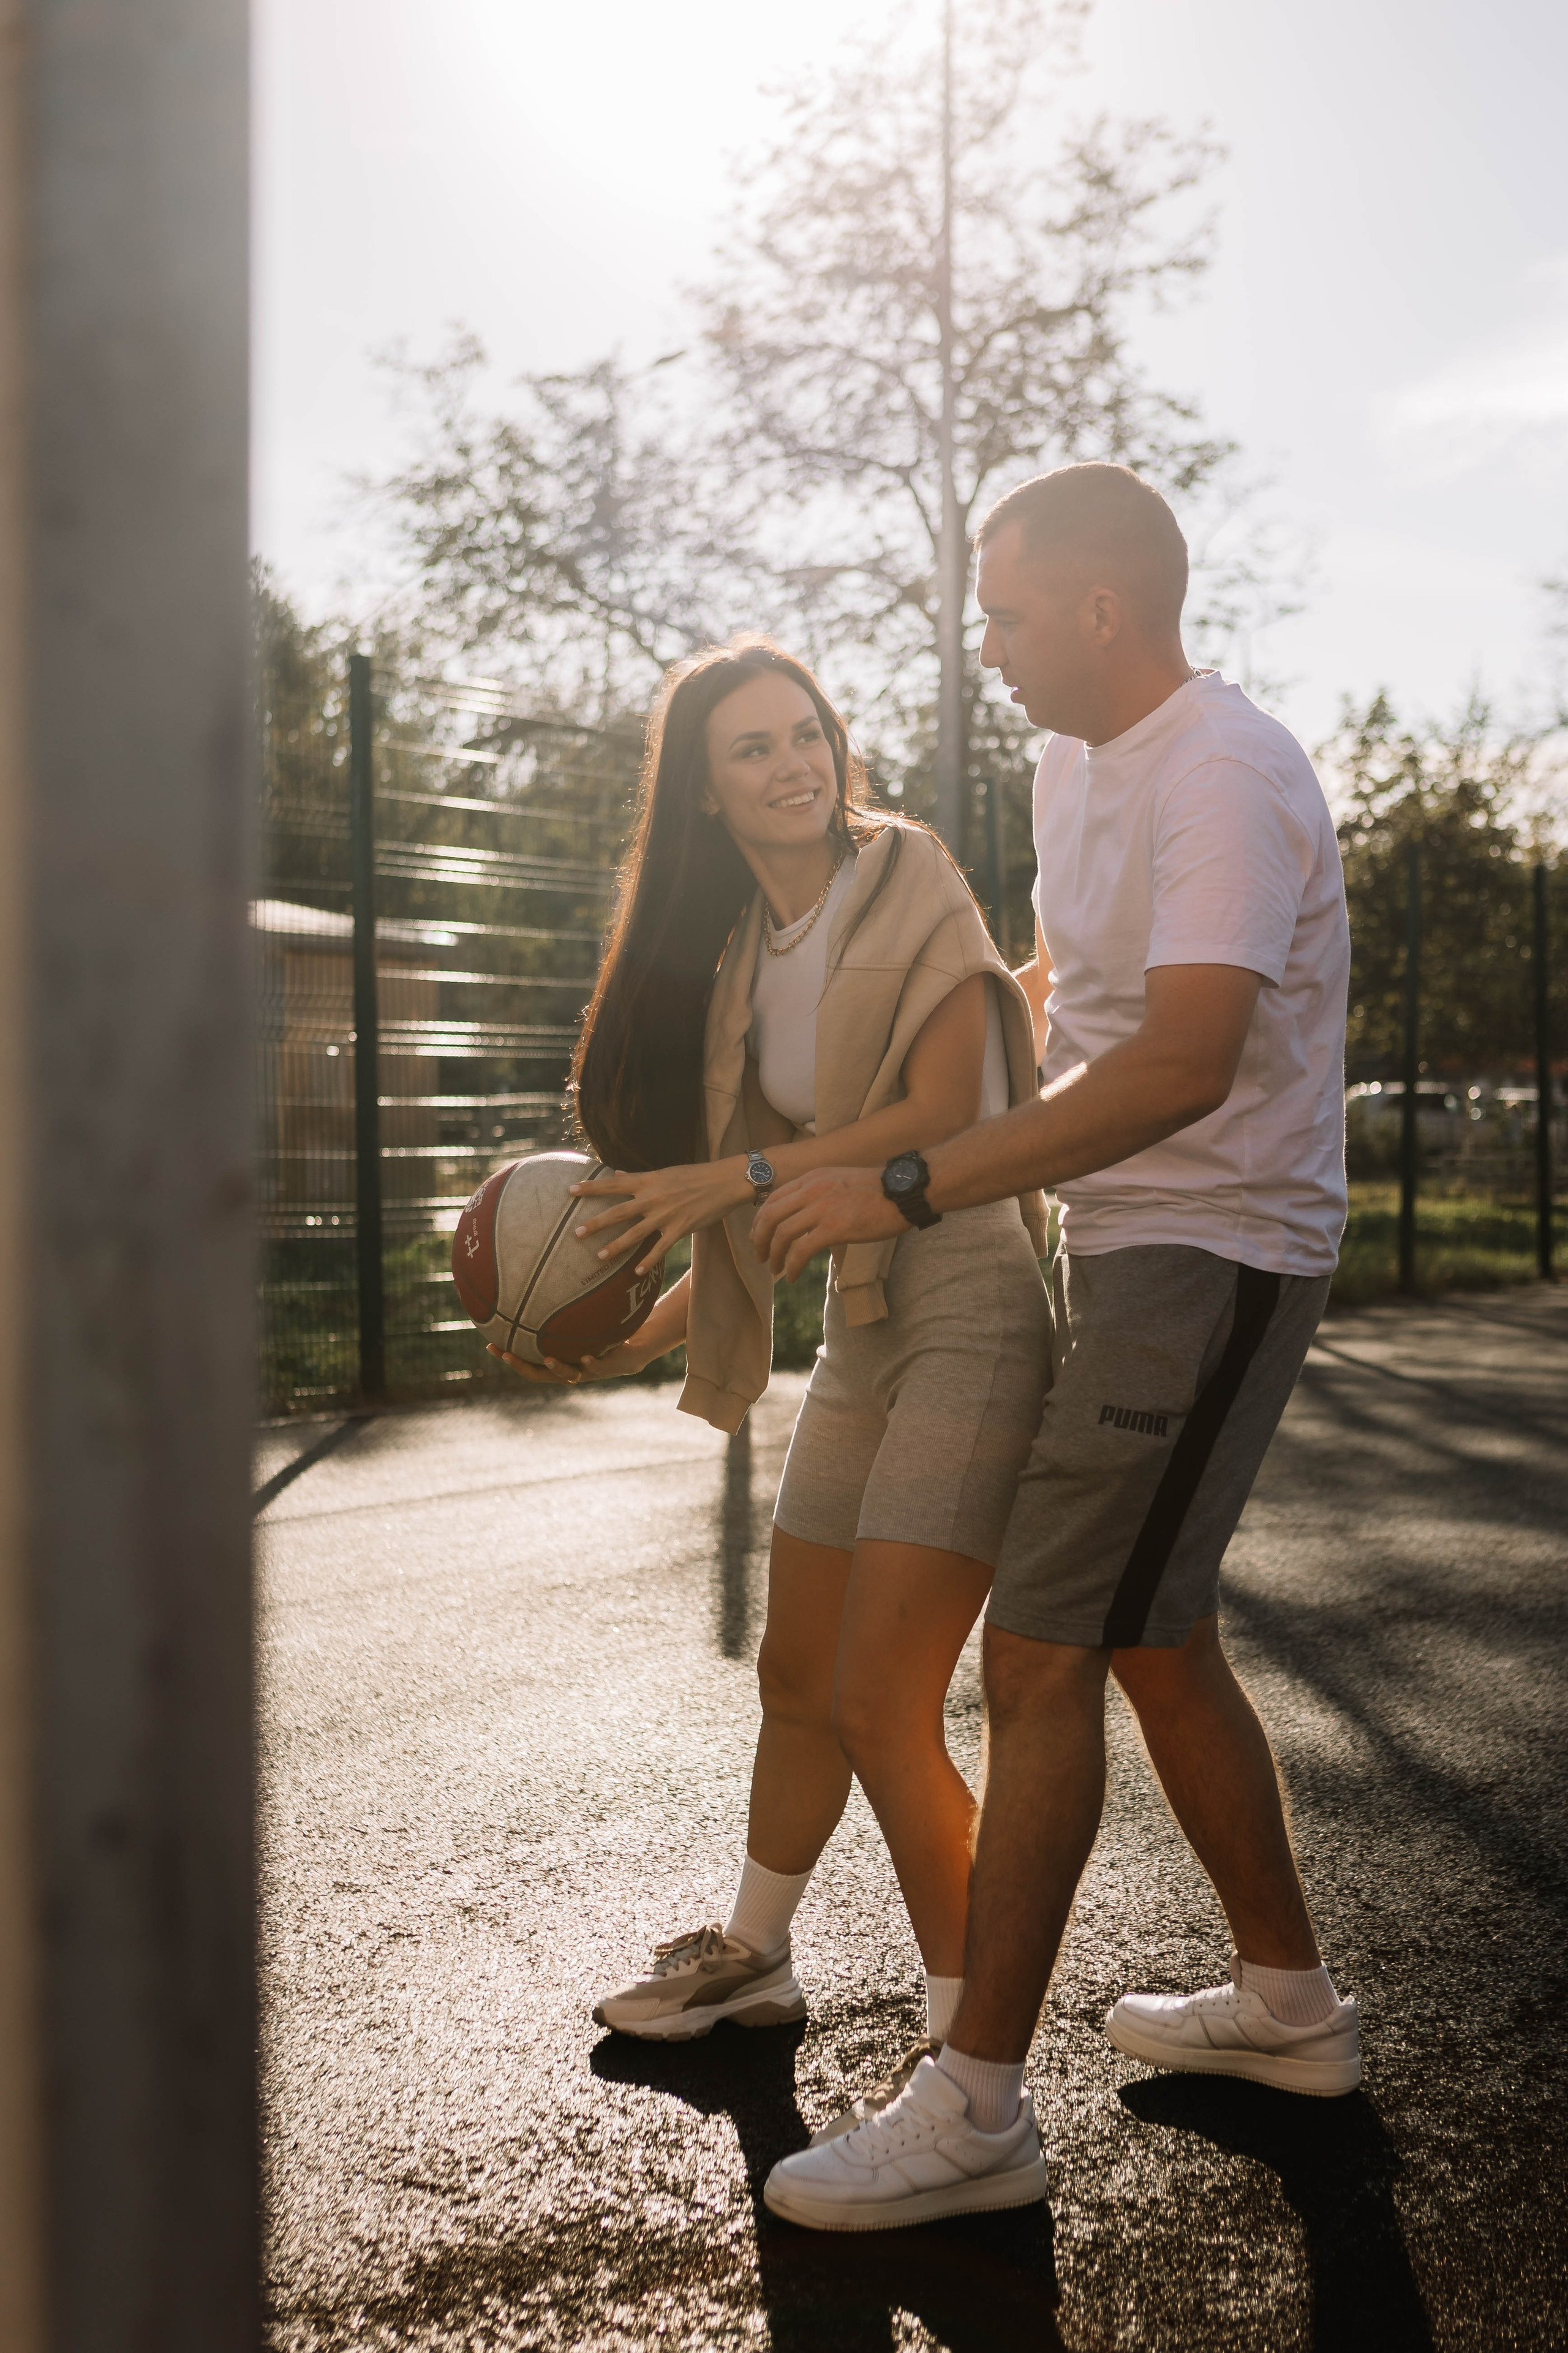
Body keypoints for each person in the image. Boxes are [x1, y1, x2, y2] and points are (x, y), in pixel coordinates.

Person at [754, 463, 1360, 2234]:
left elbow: (1180, 1063)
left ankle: (977, 2109)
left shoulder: (1228, 774)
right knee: (1156, 1637)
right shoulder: (1067, 757)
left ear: (1103, 610)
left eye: (1007, 609)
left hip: (1217, 1245)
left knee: (1040, 1654)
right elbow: (1069, 987)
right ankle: (1292, 2008)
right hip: (1130, 1235)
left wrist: (913, 1177)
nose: (985, 642)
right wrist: (975, 1031)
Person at [490, 635, 1052, 2076]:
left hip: (974, 1304)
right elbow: (753, 1211)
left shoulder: (905, 870)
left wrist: (727, 1183)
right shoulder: (738, 954)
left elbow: (939, 1111)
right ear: (701, 795)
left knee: (881, 1697)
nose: (793, 763)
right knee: (797, 1672)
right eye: (752, 748)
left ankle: (967, 2064)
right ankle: (755, 1955)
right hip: (862, 1324)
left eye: (804, 733)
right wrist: (623, 1331)